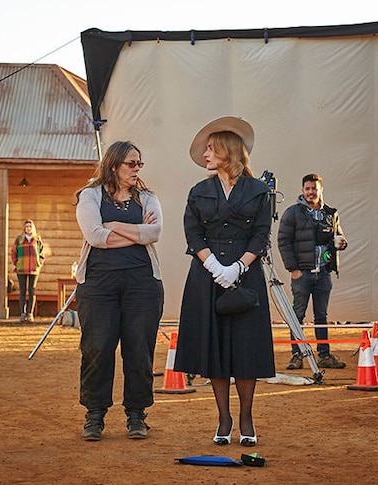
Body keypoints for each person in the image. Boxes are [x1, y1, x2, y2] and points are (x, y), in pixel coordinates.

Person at [174, 116, 275, 448]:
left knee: (246, 348)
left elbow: (261, 235)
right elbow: (193, 233)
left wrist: (239, 268)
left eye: (210, 148)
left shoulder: (260, 191)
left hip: (246, 276)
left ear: (228, 150)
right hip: (207, 276)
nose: (205, 154)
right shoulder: (199, 191)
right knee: (214, 347)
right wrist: (215, 265)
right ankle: (224, 417)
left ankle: (246, 416)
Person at [74, 140, 164, 441]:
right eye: (131, 163)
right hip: (98, 285)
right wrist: (137, 233)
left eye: (140, 163)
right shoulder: (89, 196)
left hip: (143, 284)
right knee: (97, 348)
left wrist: (114, 225)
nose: (137, 169)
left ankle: (137, 415)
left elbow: (155, 232)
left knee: (139, 350)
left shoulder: (147, 198)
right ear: (114, 165)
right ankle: (94, 416)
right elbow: (95, 236)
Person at [277, 173, 348, 370]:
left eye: (314, 189)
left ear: (320, 190)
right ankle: (296, 355)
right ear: (302, 191)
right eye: (307, 189)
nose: (310, 192)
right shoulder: (292, 213)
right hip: (302, 275)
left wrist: (342, 242)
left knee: (321, 316)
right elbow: (283, 241)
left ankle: (324, 355)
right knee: (297, 315)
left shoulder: (330, 213)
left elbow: (339, 236)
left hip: (323, 274)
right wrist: (293, 270)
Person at [10, 220, 44, 322]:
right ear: (24, 228)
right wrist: (17, 263)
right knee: (22, 291)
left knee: (32, 290)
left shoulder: (37, 239)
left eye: (30, 226)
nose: (28, 228)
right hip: (21, 269)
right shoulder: (19, 239)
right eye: (26, 226)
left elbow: (42, 253)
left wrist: (39, 263)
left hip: (34, 269)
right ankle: (22, 313)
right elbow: (13, 253)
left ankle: (30, 313)